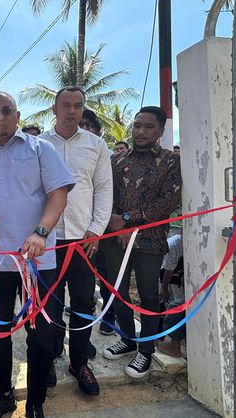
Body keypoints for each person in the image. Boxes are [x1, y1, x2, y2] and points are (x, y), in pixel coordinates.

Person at [0, 92, 74, 418]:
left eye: (6, 111)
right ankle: (3, 393)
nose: (1, 117)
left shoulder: (40, 150)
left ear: (17, 115)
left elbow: (58, 196)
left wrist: (41, 233)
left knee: (40, 336)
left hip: (37, 263)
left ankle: (35, 402)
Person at [39, 86, 112, 396]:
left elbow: (104, 189)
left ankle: (80, 362)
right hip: (47, 241)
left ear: (83, 110)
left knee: (82, 303)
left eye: (77, 105)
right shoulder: (38, 145)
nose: (71, 110)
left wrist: (96, 230)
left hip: (84, 241)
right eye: (65, 105)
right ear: (54, 109)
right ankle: (48, 360)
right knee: (48, 306)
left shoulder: (97, 146)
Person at [100, 105, 182, 379]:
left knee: (148, 296)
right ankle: (127, 338)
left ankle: (145, 351)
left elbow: (168, 201)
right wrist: (114, 222)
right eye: (137, 125)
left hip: (149, 241)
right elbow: (105, 194)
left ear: (160, 131)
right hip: (115, 239)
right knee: (118, 291)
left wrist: (126, 219)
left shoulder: (171, 161)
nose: (141, 131)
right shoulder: (116, 160)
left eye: (148, 127)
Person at [157, 233, 185, 358]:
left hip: (180, 273)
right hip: (166, 275)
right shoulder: (176, 243)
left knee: (179, 306)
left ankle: (173, 341)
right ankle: (160, 337)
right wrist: (164, 288)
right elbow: (168, 268)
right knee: (166, 303)